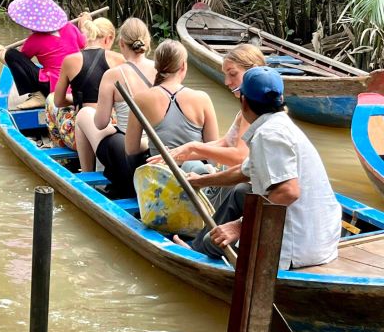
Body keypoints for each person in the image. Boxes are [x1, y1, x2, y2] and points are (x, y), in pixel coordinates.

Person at [179, 66, 342, 271]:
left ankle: (201, 253)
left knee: (219, 240)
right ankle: (198, 249)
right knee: (241, 192)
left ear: (244, 102)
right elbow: (243, 171)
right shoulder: (279, 124)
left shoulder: (268, 134)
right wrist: (201, 181)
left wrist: (240, 225)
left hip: (297, 249)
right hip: (321, 237)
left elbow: (288, 191)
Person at [147, 44, 266, 205]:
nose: (227, 82)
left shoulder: (254, 109)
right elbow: (225, 142)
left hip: (241, 187)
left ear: (253, 72)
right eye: (225, 75)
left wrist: (194, 147)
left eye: (232, 74)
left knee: (192, 172)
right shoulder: (245, 108)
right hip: (228, 180)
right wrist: (179, 153)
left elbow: (240, 156)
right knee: (190, 164)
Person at [74, 18, 156, 194]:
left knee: (83, 114)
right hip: (156, 147)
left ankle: (87, 178)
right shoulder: (162, 70)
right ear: (148, 42)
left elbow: (100, 123)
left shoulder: (113, 75)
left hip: (127, 150)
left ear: (121, 43)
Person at [125, 39, 219, 173]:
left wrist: (150, 142)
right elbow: (214, 152)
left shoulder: (141, 99)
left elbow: (131, 149)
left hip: (160, 176)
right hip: (195, 176)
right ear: (183, 66)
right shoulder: (202, 98)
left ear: (156, 66)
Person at [0, 0, 87, 110]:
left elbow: (19, 64)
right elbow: (84, 43)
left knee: (12, 54)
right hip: (79, 84)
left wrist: (0, 52)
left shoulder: (35, 40)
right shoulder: (70, 27)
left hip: (54, 88)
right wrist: (84, 24)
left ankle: (38, 95)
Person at [46, 17, 125, 149]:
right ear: (108, 38)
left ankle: (58, 147)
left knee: (50, 99)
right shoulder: (119, 59)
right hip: (112, 129)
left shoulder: (70, 60)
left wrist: (77, 101)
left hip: (79, 136)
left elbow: (58, 101)